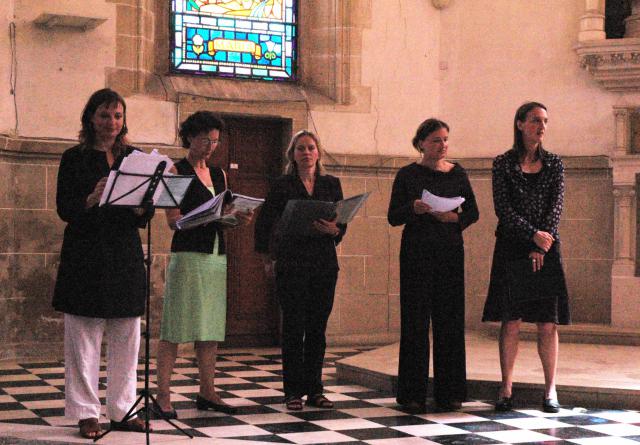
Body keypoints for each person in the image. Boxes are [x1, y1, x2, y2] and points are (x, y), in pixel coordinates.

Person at [53, 88, 152, 439]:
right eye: (105, 115)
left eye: (118, 115)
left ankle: (123, 410)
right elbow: (65, 209)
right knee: (84, 336)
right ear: (91, 118)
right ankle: (86, 412)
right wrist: (91, 199)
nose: (111, 122)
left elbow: (142, 215)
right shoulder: (74, 157)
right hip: (86, 254)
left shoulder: (135, 158)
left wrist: (144, 204)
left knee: (127, 335)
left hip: (123, 253)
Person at [155, 111, 253, 418]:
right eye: (204, 140)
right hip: (187, 256)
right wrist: (204, 217)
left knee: (210, 328)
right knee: (175, 327)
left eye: (215, 140)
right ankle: (162, 395)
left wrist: (237, 218)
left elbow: (222, 220)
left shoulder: (220, 174)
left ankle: (208, 392)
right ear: (189, 137)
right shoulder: (176, 170)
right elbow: (173, 222)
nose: (210, 146)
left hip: (215, 256)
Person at [482, 102, 570, 413]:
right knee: (512, 320)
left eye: (545, 120)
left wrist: (541, 241)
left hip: (546, 247)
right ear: (520, 124)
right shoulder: (502, 163)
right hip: (513, 247)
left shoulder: (555, 164)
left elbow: (555, 207)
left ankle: (550, 390)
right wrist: (532, 235)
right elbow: (503, 209)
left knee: (548, 322)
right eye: (535, 120)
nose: (542, 126)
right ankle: (506, 388)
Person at [388, 118, 479, 414]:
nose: (442, 145)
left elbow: (473, 212)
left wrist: (456, 219)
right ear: (422, 143)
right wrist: (413, 208)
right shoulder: (407, 174)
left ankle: (450, 392)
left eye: (445, 140)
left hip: (450, 253)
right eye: (436, 140)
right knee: (415, 323)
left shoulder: (458, 173)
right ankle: (412, 393)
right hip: (416, 253)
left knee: (449, 321)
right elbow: (393, 216)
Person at [254, 130, 345, 411]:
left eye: (311, 148)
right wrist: (267, 258)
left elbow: (340, 224)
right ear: (292, 155)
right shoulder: (282, 185)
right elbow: (264, 222)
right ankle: (293, 391)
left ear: (318, 153)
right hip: (292, 263)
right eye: (301, 148)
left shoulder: (331, 184)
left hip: (323, 264)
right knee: (294, 328)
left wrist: (335, 230)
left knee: (317, 329)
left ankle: (316, 389)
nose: (306, 153)